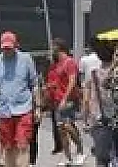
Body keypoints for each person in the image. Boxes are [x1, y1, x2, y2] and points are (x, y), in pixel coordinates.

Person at [0, 31, 41, 167]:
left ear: (16, 45)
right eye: (4, 48)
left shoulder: (26, 59)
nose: (7, 50)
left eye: (9, 48)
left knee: (23, 145)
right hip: (4, 110)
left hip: (24, 108)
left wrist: (38, 107)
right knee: (8, 146)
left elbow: (34, 84)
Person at [46, 37, 85, 165]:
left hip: (68, 99)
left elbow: (72, 81)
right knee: (61, 130)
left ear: (59, 47)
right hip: (57, 100)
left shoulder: (69, 62)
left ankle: (80, 150)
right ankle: (67, 157)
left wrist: (65, 98)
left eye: (53, 46)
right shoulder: (56, 64)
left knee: (67, 125)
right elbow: (56, 81)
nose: (51, 49)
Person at [82, 39, 116, 167]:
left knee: (102, 159)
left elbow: (86, 100)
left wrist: (85, 119)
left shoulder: (93, 75)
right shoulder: (115, 74)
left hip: (99, 120)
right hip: (115, 119)